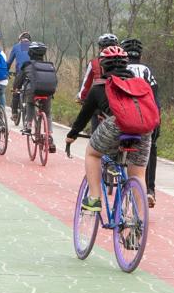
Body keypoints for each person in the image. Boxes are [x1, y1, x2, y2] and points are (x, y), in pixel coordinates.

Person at [65, 45, 156, 213]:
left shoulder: (100, 87)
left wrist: (72, 135)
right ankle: (141, 222)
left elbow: (84, 116)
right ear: (125, 65)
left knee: (92, 154)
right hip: (144, 129)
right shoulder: (140, 84)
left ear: (104, 65)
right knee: (137, 175)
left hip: (117, 125)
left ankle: (94, 198)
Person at [122, 38, 160, 207]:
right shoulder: (146, 71)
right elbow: (156, 99)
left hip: (125, 120)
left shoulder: (119, 69)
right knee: (151, 148)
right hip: (146, 120)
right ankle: (150, 190)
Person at [19, 41, 60, 152]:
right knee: (47, 113)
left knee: (30, 104)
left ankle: (28, 125)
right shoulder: (49, 65)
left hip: (32, 92)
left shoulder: (27, 64)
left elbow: (19, 80)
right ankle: (49, 135)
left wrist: (16, 88)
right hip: (47, 92)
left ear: (30, 53)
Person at [77, 33, 120, 103]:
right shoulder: (123, 61)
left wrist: (82, 96)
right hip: (119, 98)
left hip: (100, 97)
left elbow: (87, 83)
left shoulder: (94, 62)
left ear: (101, 48)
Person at [7, 31, 32, 122]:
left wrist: (6, 71)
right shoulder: (33, 47)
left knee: (16, 90)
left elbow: (9, 62)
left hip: (21, 73)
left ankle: (14, 113)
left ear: (20, 39)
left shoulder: (16, 47)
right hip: (33, 73)